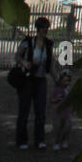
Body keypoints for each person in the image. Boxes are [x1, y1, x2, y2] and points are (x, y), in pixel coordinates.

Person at [15, 16, 60, 150]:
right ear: (38, 29)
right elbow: (17, 56)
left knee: (40, 110)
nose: (45, 30)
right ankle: (21, 139)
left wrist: (57, 79)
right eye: (43, 28)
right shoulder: (28, 42)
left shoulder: (48, 44)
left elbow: (50, 64)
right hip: (27, 79)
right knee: (24, 110)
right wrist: (24, 63)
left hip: (41, 79)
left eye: (46, 28)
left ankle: (39, 139)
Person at [51, 69, 72, 151]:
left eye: (67, 81)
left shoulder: (68, 90)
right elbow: (51, 100)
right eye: (64, 81)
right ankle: (56, 142)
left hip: (67, 112)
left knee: (67, 127)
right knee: (58, 128)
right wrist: (56, 99)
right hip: (58, 113)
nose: (66, 83)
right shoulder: (57, 90)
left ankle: (64, 140)